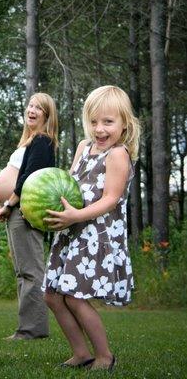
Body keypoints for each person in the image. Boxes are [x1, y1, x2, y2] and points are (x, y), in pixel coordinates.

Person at [42, 85, 140, 370]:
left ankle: (105, 356)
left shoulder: (118, 155)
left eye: (108, 122)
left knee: (75, 296)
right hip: (71, 230)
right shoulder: (84, 147)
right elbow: (70, 184)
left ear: (124, 124)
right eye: (94, 121)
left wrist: (76, 216)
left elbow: (110, 199)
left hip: (95, 235)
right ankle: (81, 353)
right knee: (52, 294)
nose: (99, 129)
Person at [0, 92, 58, 340]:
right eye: (30, 105)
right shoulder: (31, 141)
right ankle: (28, 328)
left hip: (23, 212)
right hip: (14, 211)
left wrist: (9, 204)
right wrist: (3, 205)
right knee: (23, 272)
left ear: (47, 115)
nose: (32, 110)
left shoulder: (42, 140)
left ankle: (32, 330)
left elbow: (30, 179)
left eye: (38, 108)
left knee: (31, 271)